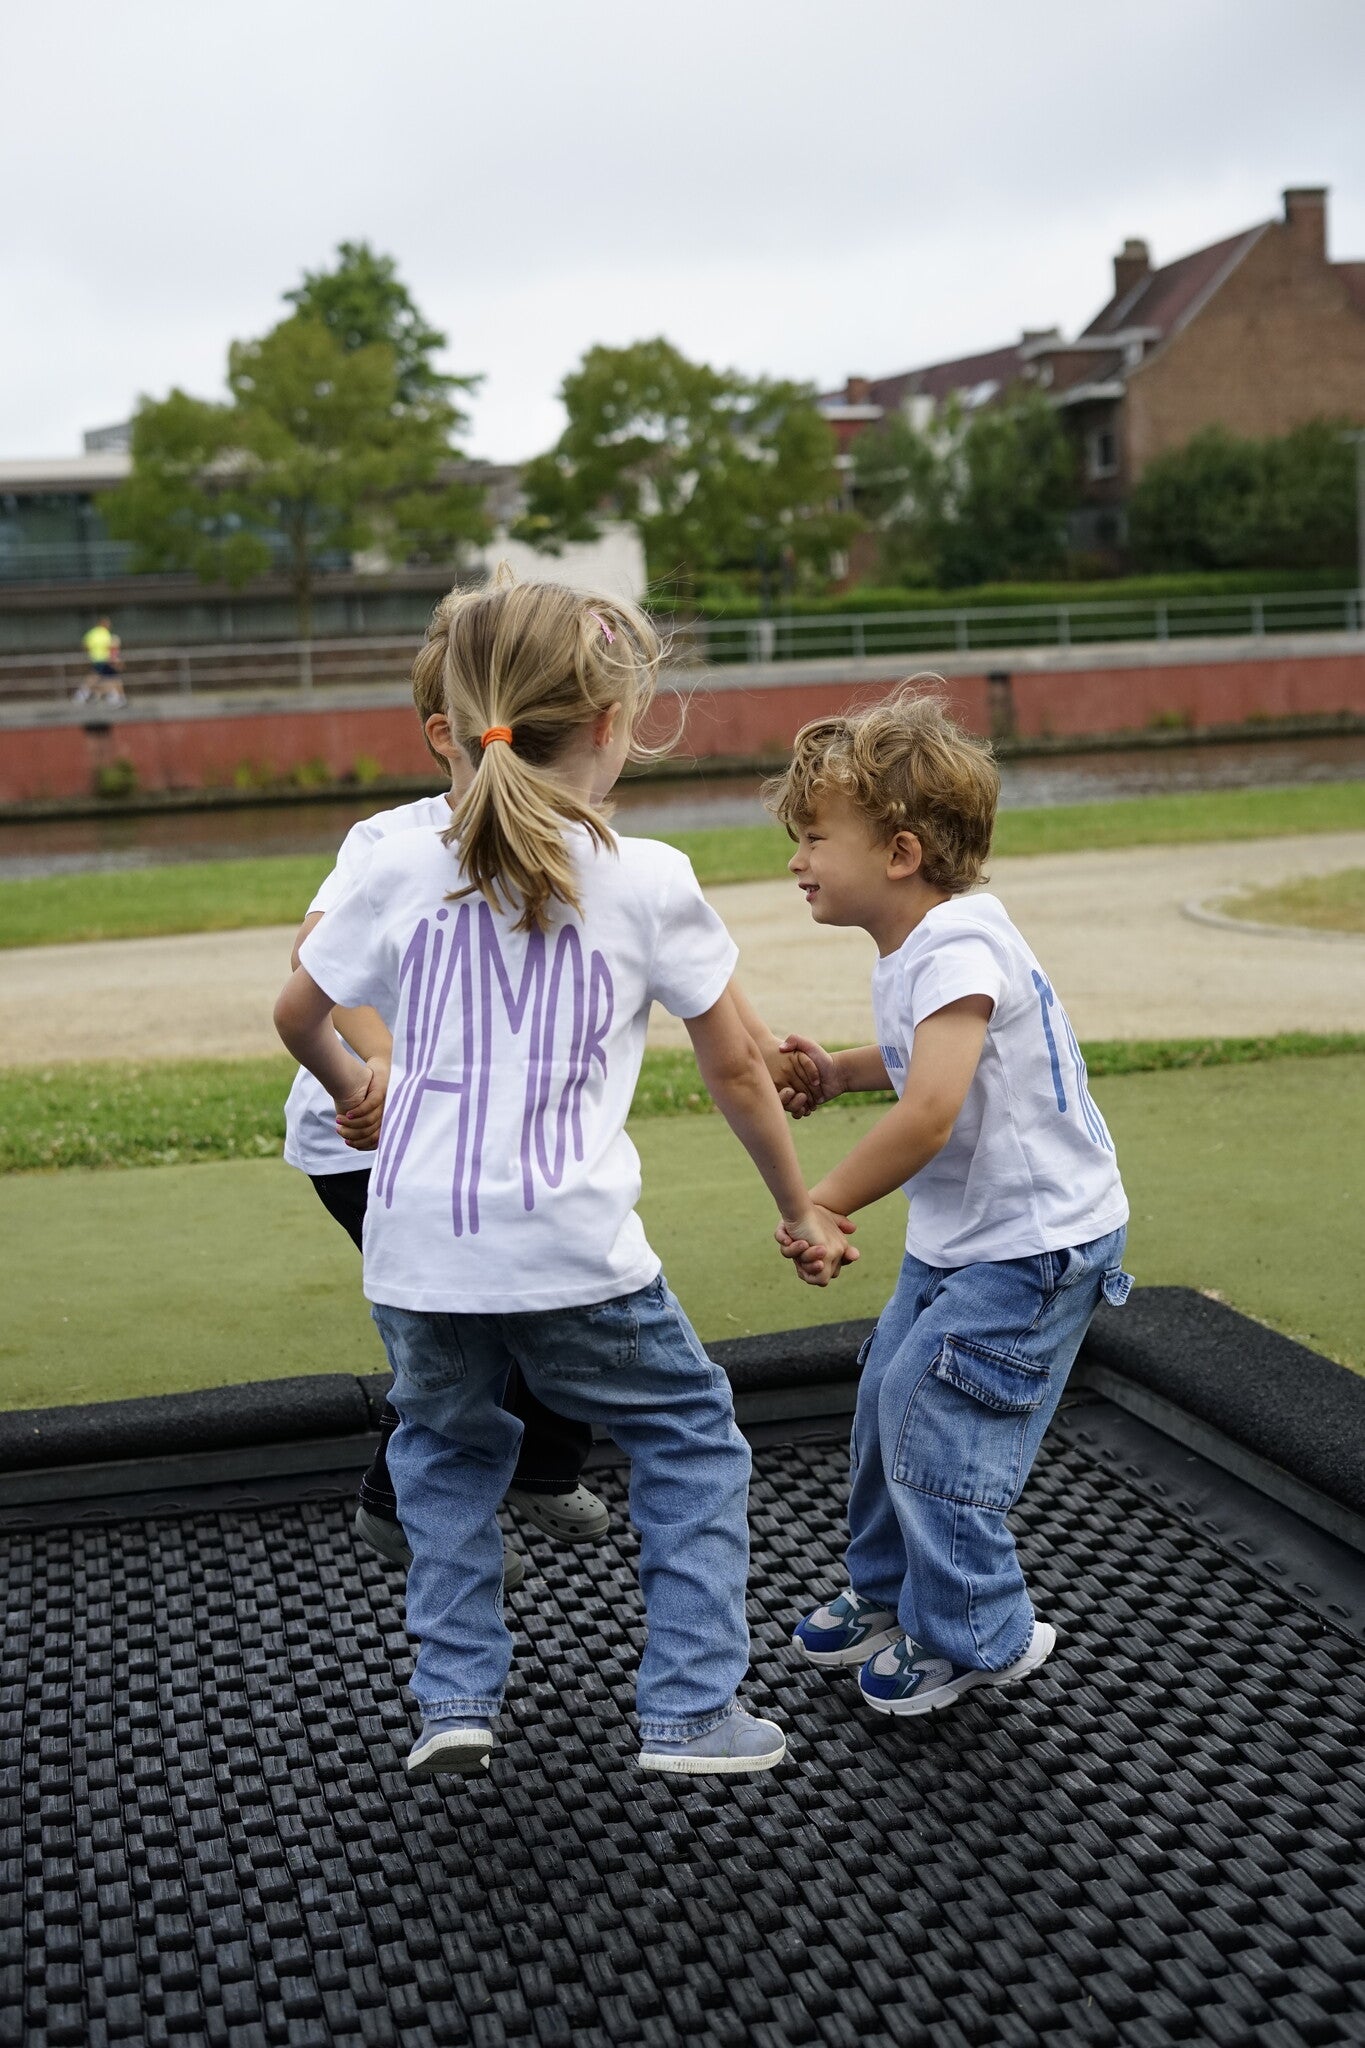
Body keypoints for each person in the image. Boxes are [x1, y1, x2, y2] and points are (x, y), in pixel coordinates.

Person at [275, 573, 854, 1782]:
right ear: (610, 724)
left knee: (443, 1454)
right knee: (691, 1436)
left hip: (417, 1251)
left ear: (463, 721)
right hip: (573, 1248)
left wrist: (347, 1084)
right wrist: (797, 1202)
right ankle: (691, 1709)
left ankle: (455, 1701)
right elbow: (741, 1067)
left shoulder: (395, 861)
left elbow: (295, 1007)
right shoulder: (648, 876)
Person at [770, 689, 1131, 1717]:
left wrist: (825, 1202)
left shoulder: (958, 947)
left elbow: (931, 1111)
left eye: (813, 838)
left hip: (1036, 1243)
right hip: (965, 1235)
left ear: (899, 851)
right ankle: (892, 1592)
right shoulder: (927, 942)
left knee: (936, 1416)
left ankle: (982, 1631)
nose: (797, 860)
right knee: (890, 1394)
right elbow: (918, 1064)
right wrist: (838, 1073)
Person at [282, 678, 611, 1593]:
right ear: (448, 735)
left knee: (553, 1283)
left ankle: (542, 1466)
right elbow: (318, 964)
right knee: (469, 1329)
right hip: (371, 1140)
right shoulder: (390, 841)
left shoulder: (562, 832)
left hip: (486, 1134)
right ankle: (404, 1506)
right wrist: (377, 1065)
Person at [76, 616, 125, 706]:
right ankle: (85, 695)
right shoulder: (105, 634)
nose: (109, 625)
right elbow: (111, 648)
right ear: (103, 624)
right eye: (107, 624)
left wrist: (90, 653)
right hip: (104, 659)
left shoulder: (92, 633)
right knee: (105, 678)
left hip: (97, 658)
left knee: (101, 677)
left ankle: (94, 695)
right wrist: (115, 659)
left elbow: (85, 644)